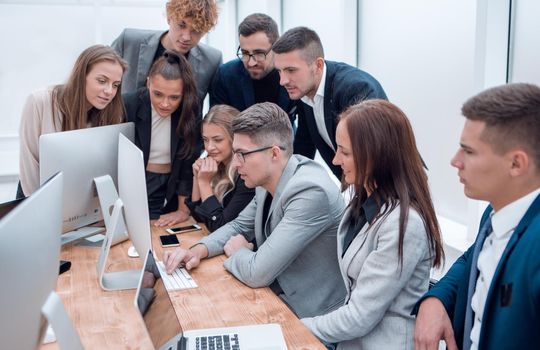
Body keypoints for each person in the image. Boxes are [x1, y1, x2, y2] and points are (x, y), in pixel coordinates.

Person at [163, 102, 347, 318]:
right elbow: (239, 225)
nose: (236, 164)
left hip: (310, 316)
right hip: (276, 297)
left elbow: (256, 272)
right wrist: (196, 250)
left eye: (242, 154)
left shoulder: (310, 191)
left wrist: (239, 251)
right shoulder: (267, 180)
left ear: (274, 153)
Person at [301, 100, 444, 349]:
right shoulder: (363, 204)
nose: (335, 160)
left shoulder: (405, 224)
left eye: (345, 152)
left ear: (377, 156)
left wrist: (294, 327)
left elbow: (359, 317)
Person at [414, 83, 540, 350]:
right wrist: (434, 299)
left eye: (468, 151)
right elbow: (472, 259)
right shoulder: (496, 213)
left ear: (516, 163)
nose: (455, 161)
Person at [272, 26, 387, 179]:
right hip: (356, 184)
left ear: (318, 65)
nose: (282, 81)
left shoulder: (355, 88)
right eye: (279, 71)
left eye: (291, 70)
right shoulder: (303, 90)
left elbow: (370, 154)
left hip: (391, 185)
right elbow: (304, 144)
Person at [18, 44, 127, 197]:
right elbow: (30, 164)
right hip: (34, 196)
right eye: (102, 81)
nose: (109, 91)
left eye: (115, 85)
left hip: (74, 202)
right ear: (82, 76)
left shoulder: (111, 114)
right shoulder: (40, 101)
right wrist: (39, 209)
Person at [123, 50, 200, 227]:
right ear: (148, 83)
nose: (165, 104)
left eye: (174, 97)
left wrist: (183, 209)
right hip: (135, 184)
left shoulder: (190, 108)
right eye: (158, 94)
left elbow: (189, 159)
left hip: (171, 187)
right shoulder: (129, 104)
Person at [111, 0, 222, 108]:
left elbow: (216, 113)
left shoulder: (212, 60)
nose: (186, 37)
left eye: (196, 30)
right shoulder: (129, 41)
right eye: (181, 25)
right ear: (169, 17)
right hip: (126, 123)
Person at [186, 105, 255, 232]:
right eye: (205, 140)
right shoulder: (218, 165)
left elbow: (220, 227)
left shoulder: (247, 176)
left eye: (217, 140)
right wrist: (197, 178)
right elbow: (200, 218)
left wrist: (204, 182)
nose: (209, 147)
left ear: (234, 139)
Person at [210, 13, 294, 117]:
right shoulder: (225, 76)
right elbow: (217, 126)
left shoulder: (293, 74)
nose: (251, 63)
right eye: (245, 53)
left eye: (259, 53)